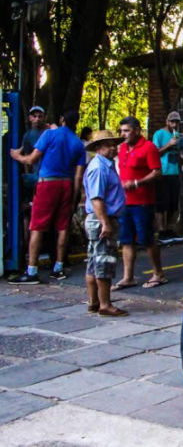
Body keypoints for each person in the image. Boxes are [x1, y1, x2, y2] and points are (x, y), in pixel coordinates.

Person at [7, 110, 87, 284]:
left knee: (37, 226)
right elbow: (79, 177)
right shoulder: (79, 144)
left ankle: (32, 271)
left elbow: (31, 160)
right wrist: (74, 198)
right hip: (66, 184)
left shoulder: (49, 135)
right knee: (62, 227)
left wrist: (16, 156)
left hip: (47, 183)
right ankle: (58, 268)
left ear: (61, 118)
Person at [115, 116, 166, 290]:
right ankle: (128, 276)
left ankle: (158, 273)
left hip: (143, 200)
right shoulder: (122, 148)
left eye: (127, 130)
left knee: (146, 238)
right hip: (124, 201)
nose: (123, 134)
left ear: (137, 130)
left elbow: (157, 173)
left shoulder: (148, 147)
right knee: (126, 239)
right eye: (121, 131)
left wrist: (137, 182)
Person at [82, 130, 128, 317]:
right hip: (102, 218)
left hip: (100, 218)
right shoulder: (99, 168)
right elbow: (97, 198)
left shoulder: (104, 166)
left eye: (113, 144)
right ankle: (105, 304)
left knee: (94, 261)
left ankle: (95, 301)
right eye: (108, 145)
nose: (112, 148)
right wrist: (105, 223)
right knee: (104, 261)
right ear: (98, 148)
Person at [152, 111, 183, 245]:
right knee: (161, 204)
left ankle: (170, 229)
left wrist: (180, 155)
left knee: (173, 204)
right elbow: (154, 153)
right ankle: (161, 231)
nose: (174, 124)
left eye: (176, 122)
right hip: (162, 173)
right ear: (167, 121)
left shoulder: (177, 135)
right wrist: (168, 145)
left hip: (174, 172)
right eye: (172, 121)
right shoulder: (159, 134)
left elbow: (178, 152)